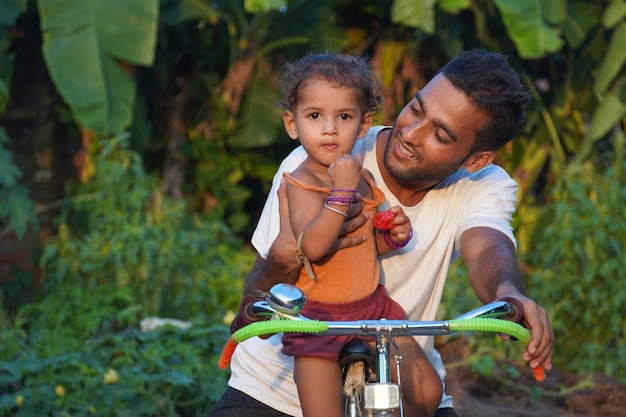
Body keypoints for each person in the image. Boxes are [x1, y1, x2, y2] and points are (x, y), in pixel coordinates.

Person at [209, 49, 554, 417]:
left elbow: (488, 248)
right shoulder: (318, 157)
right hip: (274, 388)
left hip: (393, 364)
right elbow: (261, 293)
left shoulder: (484, 184)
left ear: (475, 160)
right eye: (416, 109)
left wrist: (508, 293)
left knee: (430, 395)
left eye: (439, 133)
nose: (410, 133)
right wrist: (287, 252)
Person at [272, 52, 442, 417]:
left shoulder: (359, 177)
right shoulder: (301, 181)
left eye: (344, 117)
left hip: (373, 310)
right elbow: (314, 248)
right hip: (320, 319)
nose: (329, 129)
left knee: (429, 393)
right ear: (292, 123)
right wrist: (342, 192)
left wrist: (393, 236)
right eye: (315, 116)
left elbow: (362, 246)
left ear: (363, 125)